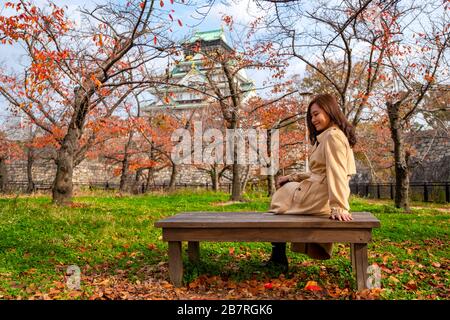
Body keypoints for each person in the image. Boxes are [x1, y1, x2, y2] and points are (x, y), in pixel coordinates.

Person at [264, 93, 357, 271]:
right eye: (311, 116)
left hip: (319, 197)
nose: (313, 120)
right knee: (283, 193)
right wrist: (291, 177)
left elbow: (337, 172)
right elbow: (317, 172)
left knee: (280, 201)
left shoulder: (332, 137)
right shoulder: (330, 135)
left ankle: (278, 257)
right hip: (318, 194)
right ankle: (278, 256)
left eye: (316, 114)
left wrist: (339, 206)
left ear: (330, 111)